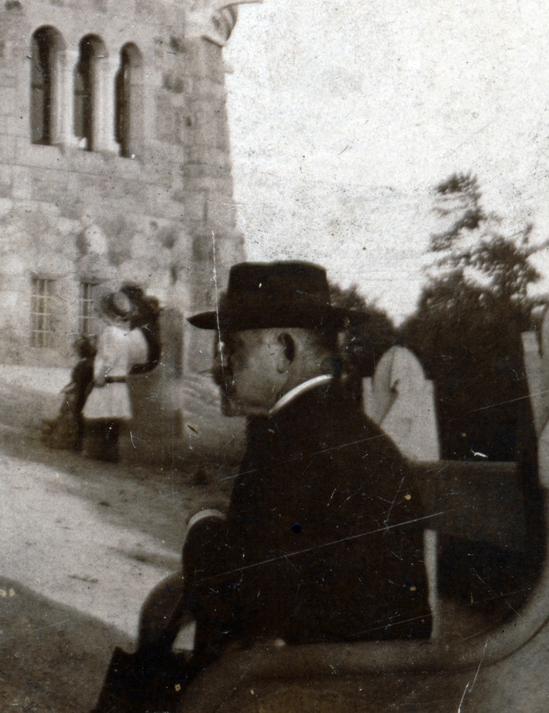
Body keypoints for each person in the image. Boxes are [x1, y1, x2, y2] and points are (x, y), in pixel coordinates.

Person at [92, 262, 430, 712]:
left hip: (337, 685)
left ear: (283, 351)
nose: (219, 367)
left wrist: (203, 522)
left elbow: (233, 595)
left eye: (232, 349)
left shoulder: (297, 439)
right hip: (338, 666)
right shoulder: (321, 422)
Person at [81, 290, 149, 462]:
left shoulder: (109, 332)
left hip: (108, 381)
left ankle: (99, 451)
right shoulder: (129, 335)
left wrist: (100, 375)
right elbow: (137, 359)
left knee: (100, 417)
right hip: (120, 383)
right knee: (113, 419)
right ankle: (111, 452)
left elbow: (108, 358)